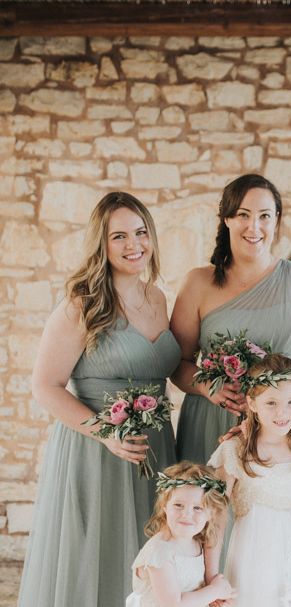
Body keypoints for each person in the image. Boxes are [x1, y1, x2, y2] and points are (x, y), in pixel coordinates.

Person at [18, 192, 182, 607]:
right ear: (101, 245)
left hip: (155, 450)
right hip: (96, 452)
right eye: (120, 236)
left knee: (149, 560)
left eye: (141, 233)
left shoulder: (158, 299)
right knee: (97, 557)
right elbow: (46, 386)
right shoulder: (82, 305)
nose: (134, 245)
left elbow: (172, 368)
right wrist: (106, 433)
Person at [171, 173, 291, 464]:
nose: (254, 226)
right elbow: (176, 363)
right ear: (226, 219)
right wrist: (207, 386)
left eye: (265, 216)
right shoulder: (197, 283)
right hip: (211, 422)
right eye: (243, 214)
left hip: (284, 425)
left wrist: (281, 389)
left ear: (276, 220)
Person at [208, 353, 291, 607]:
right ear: (252, 403)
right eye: (271, 403)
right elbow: (216, 517)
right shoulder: (236, 450)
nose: (283, 412)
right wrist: (211, 575)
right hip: (255, 556)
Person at [126, 461, 236, 607]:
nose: (186, 514)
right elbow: (173, 604)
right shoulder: (160, 551)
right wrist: (214, 591)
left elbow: (194, 592)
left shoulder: (197, 542)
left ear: (211, 514)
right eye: (178, 505)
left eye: (198, 508)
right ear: (165, 506)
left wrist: (213, 599)